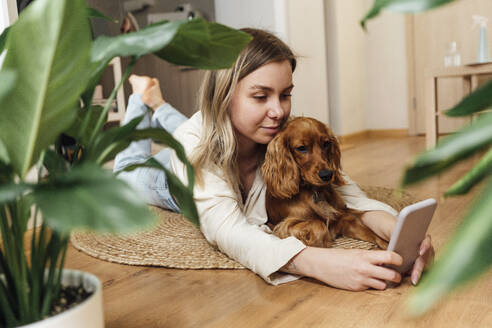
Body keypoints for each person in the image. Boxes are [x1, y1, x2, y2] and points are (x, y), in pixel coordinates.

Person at [114, 28, 434, 291]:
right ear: (225, 95)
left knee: (194, 127)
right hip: (169, 180)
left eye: (285, 94)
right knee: (127, 170)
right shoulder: (195, 143)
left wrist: (399, 230)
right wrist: (318, 263)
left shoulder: (276, 133)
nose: (278, 111)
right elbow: (228, 231)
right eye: (260, 96)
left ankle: (158, 103)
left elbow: (346, 192)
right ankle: (141, 101)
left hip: (211, 130)